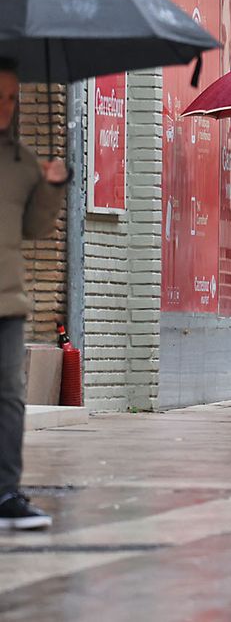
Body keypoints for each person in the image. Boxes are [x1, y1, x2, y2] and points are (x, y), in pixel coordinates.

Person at [0, 61, 67, 531]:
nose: (5, 107)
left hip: (7, 301)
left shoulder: (22, 162)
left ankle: (6, 493)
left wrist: (53, 187)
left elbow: (36, 228)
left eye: (11, 98)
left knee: (9, 396)